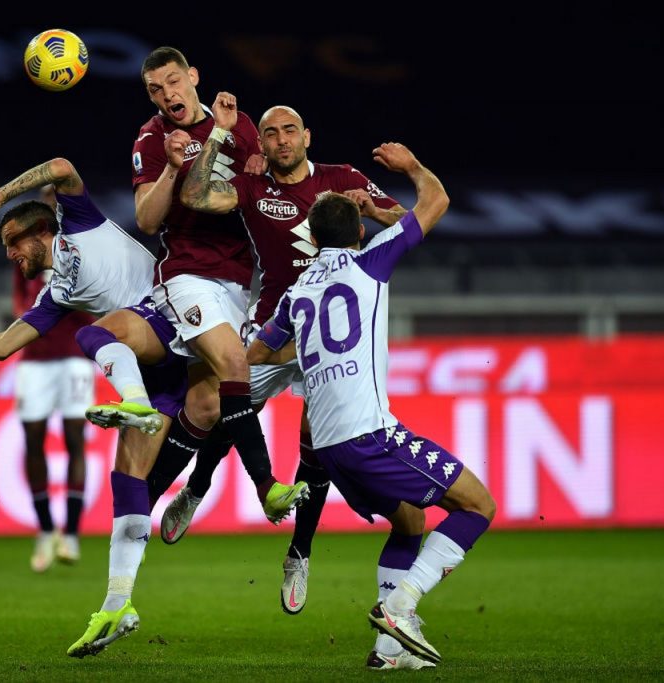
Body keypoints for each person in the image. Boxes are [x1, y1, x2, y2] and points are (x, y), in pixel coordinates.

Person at [0, 157, 187, 658]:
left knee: (97, 335)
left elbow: (63, 167)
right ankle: (117, 603)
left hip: (175, 326)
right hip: (153, 367)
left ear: (41, 232)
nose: (10, 256)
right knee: (127, 485)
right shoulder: (57, 292)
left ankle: (173, 454)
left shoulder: (80, 222)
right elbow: (1, 345)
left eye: (13, 244)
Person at [156, 98, 418, 650]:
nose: (278, 139)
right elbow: (196, 195)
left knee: (314, 445)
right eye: (270, 132)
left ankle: (299, 552)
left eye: (288, 130)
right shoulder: (252, 186)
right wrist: (222, 139)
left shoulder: (341, 177)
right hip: (276, 324)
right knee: (220, 405)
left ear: (307, 136)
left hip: (330, 337)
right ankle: (195, 488)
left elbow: (402, 218)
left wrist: (368, 208)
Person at [247, 142, 496, 667]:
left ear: (311, 239)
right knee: (478, 506)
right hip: (372, 436)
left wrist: (311, 349)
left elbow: (258, 350)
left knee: (409, 522)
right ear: (358, 233)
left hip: (329, 454)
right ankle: (400, 607)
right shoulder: (371, 261)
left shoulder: (296, 293)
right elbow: (436, 201)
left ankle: (387, 652)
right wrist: (410, 168)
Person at [129, 46, 308, 522]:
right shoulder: (153, 137)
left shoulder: (243, 124)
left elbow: (273, 183)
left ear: (193, 76)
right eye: (155, 90)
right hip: (187, 274)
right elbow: (146, 220)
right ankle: (267, 486)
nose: (167, 96)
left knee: (209, 406)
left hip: (238, 282)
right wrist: (174, 164)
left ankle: (152, 497)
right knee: (235, 363)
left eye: (172, 82)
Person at [12, 265, 95, 572]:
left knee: (75, 439)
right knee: (33, 442)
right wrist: (27, 317)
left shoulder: (79, 247)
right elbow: (19, 298)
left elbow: (97, 299)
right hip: (34, 359)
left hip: (75, 354)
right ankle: (46, 530)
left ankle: (71, 534)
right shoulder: (25, 247)